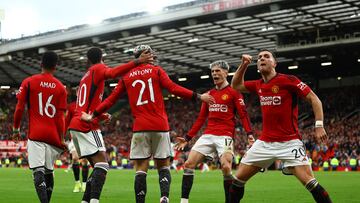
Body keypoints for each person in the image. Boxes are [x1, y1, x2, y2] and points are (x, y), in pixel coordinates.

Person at [80, 44, 215, 203]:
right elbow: (173, 88)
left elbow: (111, 100)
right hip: (160, 126)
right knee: (163, 166)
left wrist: (93, 114)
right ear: (143, 56)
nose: (152, 56)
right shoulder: (157, 70)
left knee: (140, 169)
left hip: (140, 128)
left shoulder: (127, 76)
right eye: (149, 54)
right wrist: (198, 97)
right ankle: (164, 197)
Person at [229, 50, 332, 203]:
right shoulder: (258, 84)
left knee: (310, 182)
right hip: (264, 143)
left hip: (290, 143)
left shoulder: (289, 80)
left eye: (266, 56)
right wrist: (244, 64)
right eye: (259, 58)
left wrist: (318, 125)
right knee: (237, 180)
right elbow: (236, 85)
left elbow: (314, 99)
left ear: (274, 63)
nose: (262, 58)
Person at [68, 47, 153, 203]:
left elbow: (86, 104)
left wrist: (100, 115)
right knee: (102, 166)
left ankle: (85, 201)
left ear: (87, 60)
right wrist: (137, 62)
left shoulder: (85, 76)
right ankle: (94, 201)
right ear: (102, 58)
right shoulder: (98, 68)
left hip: (77, 124)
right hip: (87, 126)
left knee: (97, 167)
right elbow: (113, 73)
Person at [175, 60, 254, 203]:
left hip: (225, 135)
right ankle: (184, 201)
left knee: (225, 167)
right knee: (188, 164)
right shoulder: (208, 95)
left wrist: (249, 134)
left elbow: (243, 114)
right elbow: (200, 119)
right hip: (208, 135)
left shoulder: (234, 92)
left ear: (225, 72)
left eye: (217, 71)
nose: (214, 74)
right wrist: (187, 138)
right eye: (212, 72)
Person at [12, 51, 67, 203]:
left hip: (36, 134)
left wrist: (16, 130)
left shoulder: (29, 81)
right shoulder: (61, 88)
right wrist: (62, 139)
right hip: (53, 136)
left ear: (41, 64)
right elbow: (60, 117)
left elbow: (19, 108)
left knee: (38, 172)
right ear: (56, 66)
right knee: (49, 172)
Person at [65, 90, 89, 193]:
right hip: (74, 136)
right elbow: (66, 122)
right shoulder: (71, 106)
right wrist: (63, 135)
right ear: (76, 94)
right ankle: (77, 183)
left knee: (84, 161)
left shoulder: (88, 105)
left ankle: (84, 184)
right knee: (75, 158)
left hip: (86, 135)